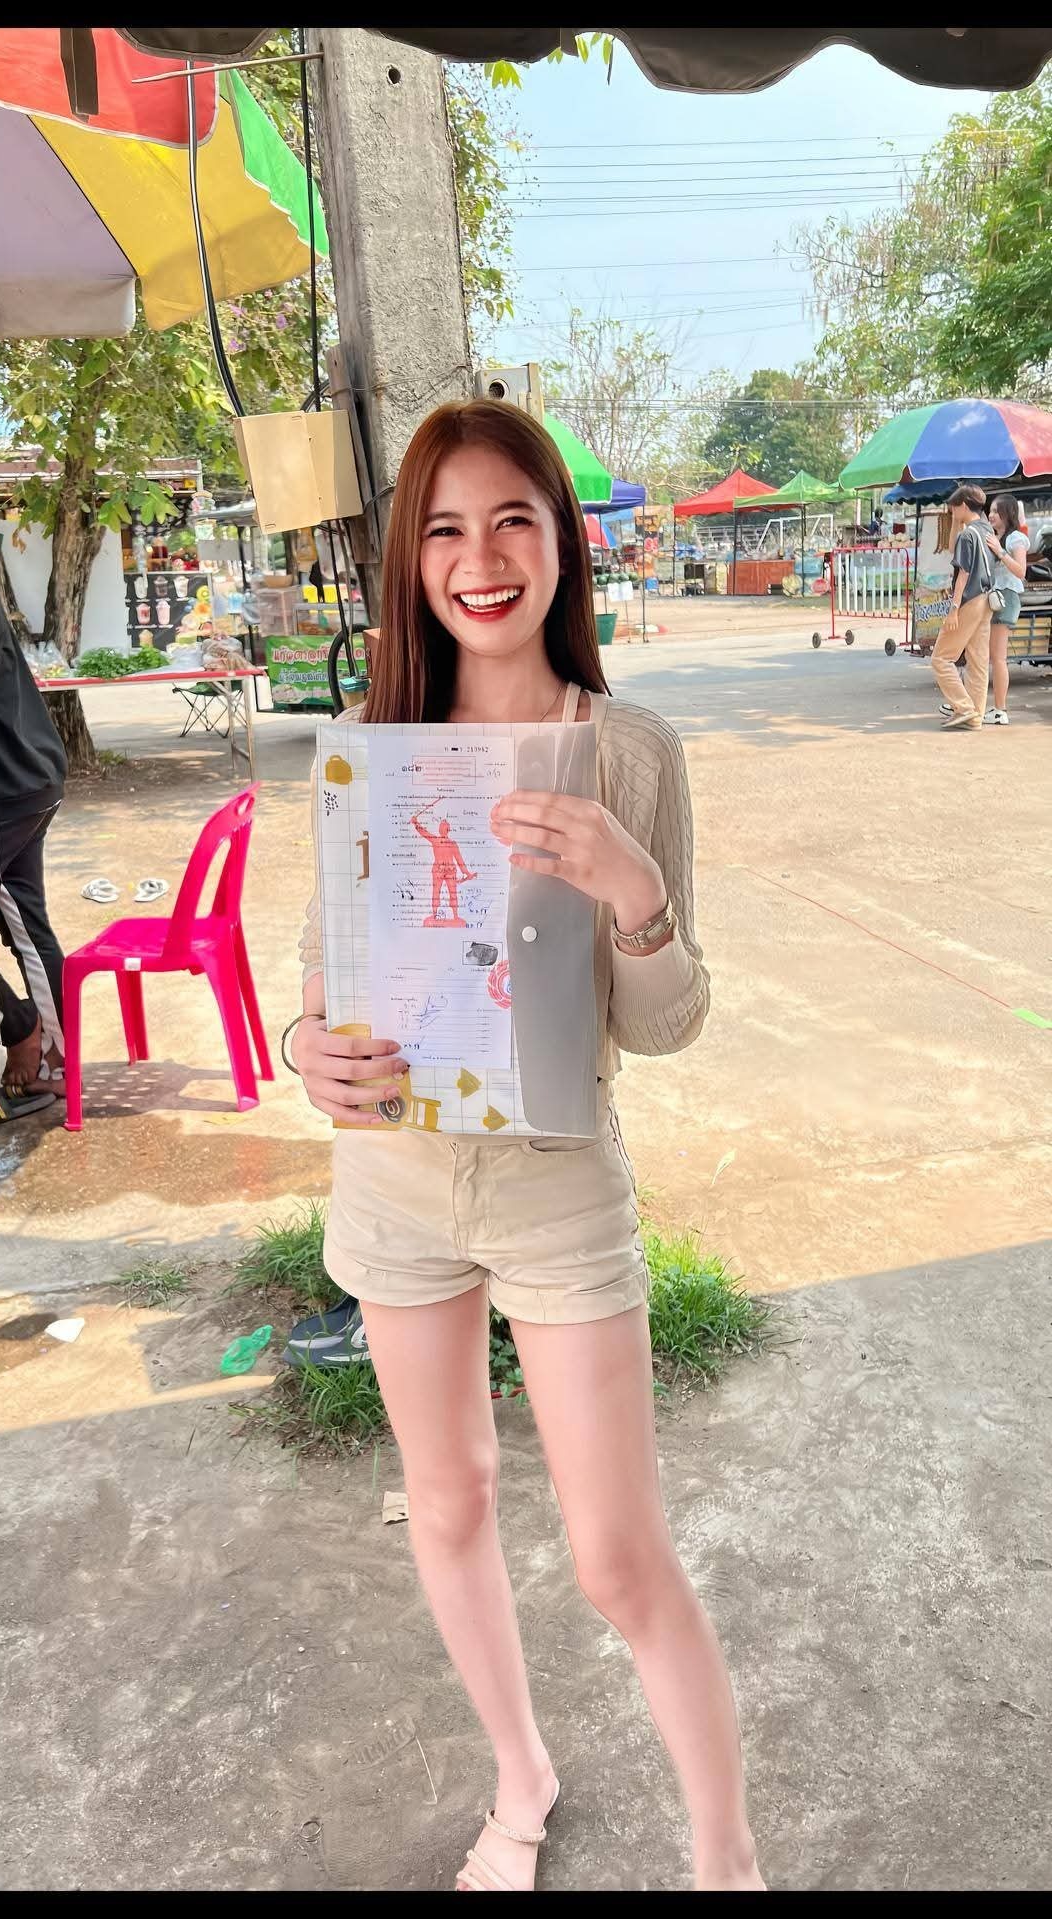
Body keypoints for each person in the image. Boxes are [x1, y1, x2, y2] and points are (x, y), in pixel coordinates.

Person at [289, 400, 763, 1893]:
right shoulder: (369, 751)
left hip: (558, 1183)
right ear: (408, 559)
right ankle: (521, 1772)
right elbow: (320, 978)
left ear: (563, 541)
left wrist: (637, 895)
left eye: (512, 519)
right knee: (448, 1500)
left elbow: (669, 1024)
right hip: (395, 1184)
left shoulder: (630, 750)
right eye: (444, 528)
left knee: (618, 1554)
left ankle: (727, 1855)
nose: (479, 558)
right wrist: (309, 1049)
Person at [0, 563, 67, 1114]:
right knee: (27, 926)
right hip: (26, 774)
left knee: (12, 923)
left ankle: (23, 1028)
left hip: (5, 785)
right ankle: (57, 1056)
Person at [930, 484, 993, 729]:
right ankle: (974, 717)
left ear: (964, 506)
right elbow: (952, 547)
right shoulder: (985, 530)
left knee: (941, 658)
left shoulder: (968, 536)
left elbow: (963, 574)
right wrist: (958, 521)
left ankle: (964, 708)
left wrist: (954, 608)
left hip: (969, 600)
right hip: (987, 600)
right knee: (977, 661)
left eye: (954, 509)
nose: (951, 512)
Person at [984, 493, 1028, 725]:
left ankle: (1000, 710)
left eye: (995, 511)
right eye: (990, 510)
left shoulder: (1015, 538)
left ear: (1007, 514)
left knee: (998, 657)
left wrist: (999, 551)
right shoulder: (994, 537)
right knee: (987, 656)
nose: (991, 515)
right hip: (992, 599)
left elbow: (1021, 570)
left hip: (1006, 597)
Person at [411, 810, 476, 925]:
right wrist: (416, 823)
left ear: (444, 830)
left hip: (445, 871)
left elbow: (460, 861)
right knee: (442, 893)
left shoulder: (443, 842)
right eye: (443, 828)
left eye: (443, 828)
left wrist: (467, 873)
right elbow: (424, 832)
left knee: (446, 893)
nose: (443, 830)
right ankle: (443, 916)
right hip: (442, 870)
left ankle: (451, 916)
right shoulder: (443, 842)